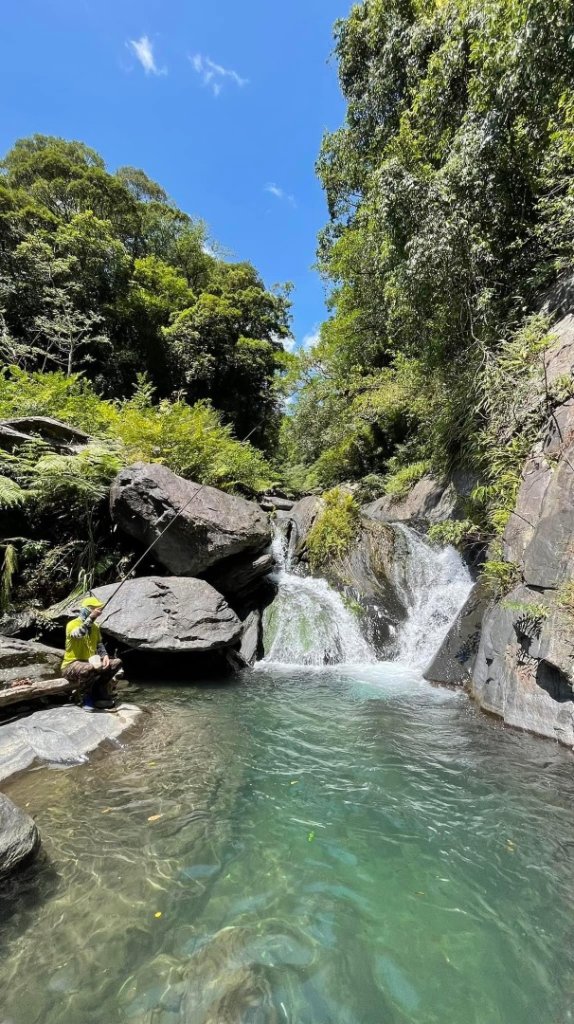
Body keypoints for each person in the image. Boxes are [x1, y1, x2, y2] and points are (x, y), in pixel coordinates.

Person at [61, 596, 122, 711]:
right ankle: (83, 696)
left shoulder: (95, 627)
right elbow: (78, 634)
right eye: (93, 609)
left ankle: (99, 690)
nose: (97, 612)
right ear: (86, 609)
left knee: (116, 662)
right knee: (88, 668)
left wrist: (104, 656)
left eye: (97, 610)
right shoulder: (72, 624)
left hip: (90, 664)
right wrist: (91, 618)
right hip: (71, 665)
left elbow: (99, 643)